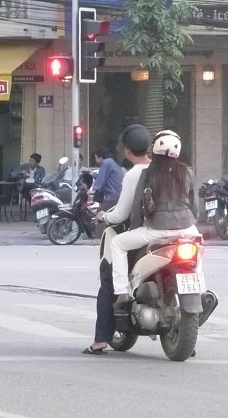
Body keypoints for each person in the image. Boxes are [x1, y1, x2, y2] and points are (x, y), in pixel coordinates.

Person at [104, 128, 199, 308]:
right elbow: (195, 207)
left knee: (117, 243)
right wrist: (190, 224)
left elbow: (137, 209)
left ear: (154, 148)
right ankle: (198, 289)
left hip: (156, 229)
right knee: (197, 252)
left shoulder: (147, 173)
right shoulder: (187, 172)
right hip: (187, 228)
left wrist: (135, 227)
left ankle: (122, 292)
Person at [83, 124, 153, 355]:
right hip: (179, 232)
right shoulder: (166, 169)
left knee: (107, 279)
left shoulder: (133, 174)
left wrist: (104, 215)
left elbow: (121, 214)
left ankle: (101, 338)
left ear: (127, 149)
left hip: (143, 234)